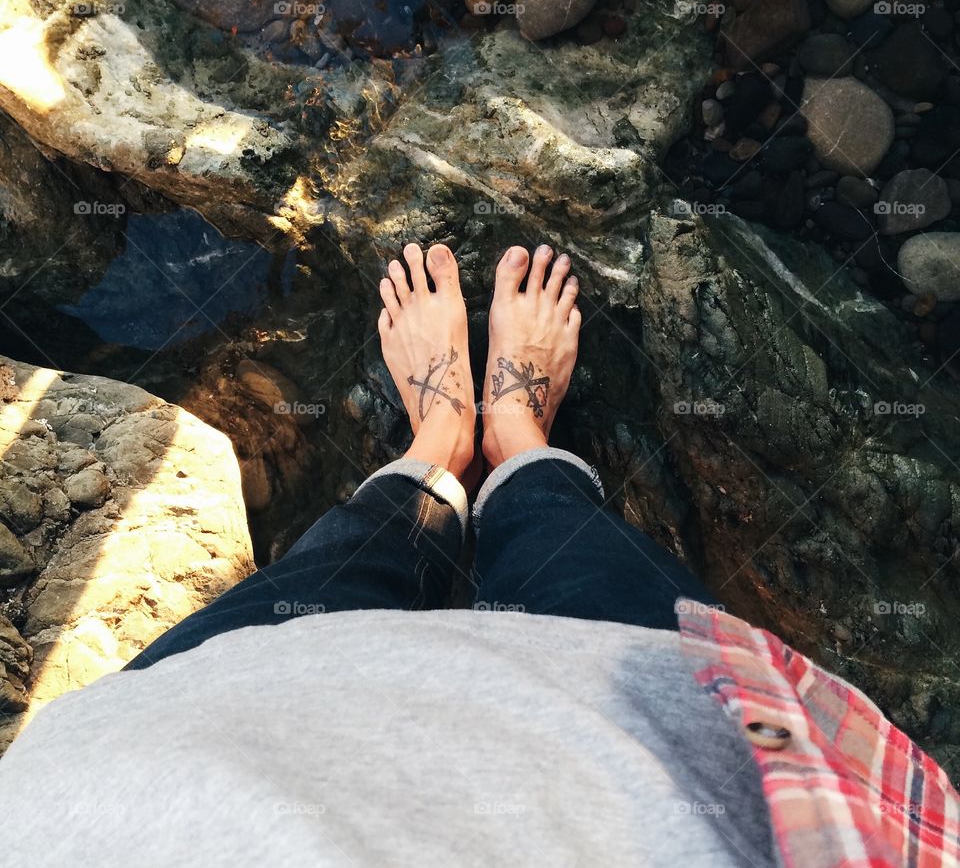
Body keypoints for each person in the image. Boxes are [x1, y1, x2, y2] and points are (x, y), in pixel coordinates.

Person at [0, 244, 956, 867]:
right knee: (563, 548)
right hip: (651, 758)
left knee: (330, 586)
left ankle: (438, 445)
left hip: (165, 762)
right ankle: (515, 433)